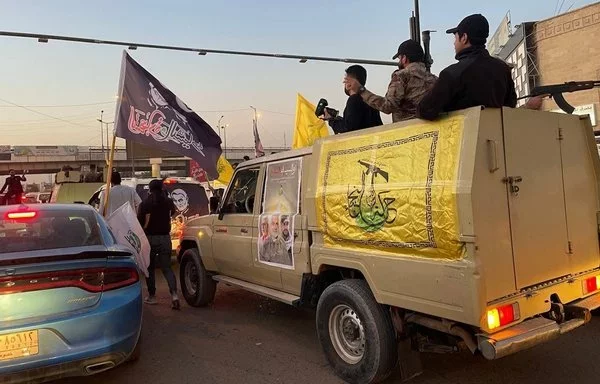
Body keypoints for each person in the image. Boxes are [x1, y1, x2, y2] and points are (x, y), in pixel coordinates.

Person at [417, 14, 541, 120]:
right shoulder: (502, 69)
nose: (454, 43)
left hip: (464, 142)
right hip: (498, 139)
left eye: (455, 38)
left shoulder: (452, 73)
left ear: (464, 38)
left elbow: (425, 110)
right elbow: (510, 106)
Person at [346, 40, 437, 122]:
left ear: (404, 58)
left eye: (399, 58)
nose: (399, 61)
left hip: (407, 133)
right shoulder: (434, 79)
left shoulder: (401, 76)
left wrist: (361, 90)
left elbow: (388, 106)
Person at [138, 179, 180, 309]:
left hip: (149, 239)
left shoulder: (144, 203)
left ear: (149, 190)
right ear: (162, 188)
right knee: (167, 268)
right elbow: (172, 213)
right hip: (165, 239)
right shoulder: (168, 202)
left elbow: (139, 221)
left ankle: (152, 296)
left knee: (149, 269)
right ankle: (174, 295)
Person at [321, 65, 383, 133]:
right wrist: (336, 119)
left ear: (349, 84)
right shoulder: (369, 100)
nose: (344, 83)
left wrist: (331, 120)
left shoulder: (354, 100)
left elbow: (348, 128)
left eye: (345, 80)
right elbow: (355, 123)